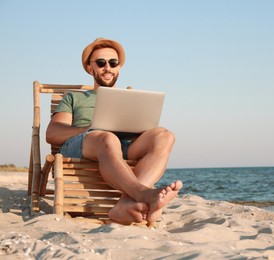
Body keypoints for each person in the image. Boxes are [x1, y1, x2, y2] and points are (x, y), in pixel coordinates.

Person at [46, 38, 183, 226]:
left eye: (113, 63)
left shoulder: (130, 98)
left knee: (165, 136)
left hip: (123, 144)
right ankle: (144, 195)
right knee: (107, 138)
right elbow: (53, 132)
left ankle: (124, 205)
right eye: (101, 63)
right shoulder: (75, 97)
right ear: (89, 68)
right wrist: (89, 128)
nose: (107, 67)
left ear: (119, 68)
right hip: (85, 144)